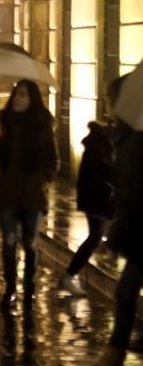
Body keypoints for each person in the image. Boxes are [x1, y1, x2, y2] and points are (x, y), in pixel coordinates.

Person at [77, 78, 143, 366]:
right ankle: (112, 359)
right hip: (136, 224)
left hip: (139, 226)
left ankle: (112, 360)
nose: (107, 104)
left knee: (126, 292)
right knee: (126, 291)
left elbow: (133, 191)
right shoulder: (127, 137)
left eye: (109, 98)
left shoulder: (134, 140)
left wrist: (118, 233)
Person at [0, 79, 59, 309]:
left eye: (23, 94)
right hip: (9, 190)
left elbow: (51, 157)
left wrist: (45, 179)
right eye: (16, 93)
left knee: (30, 242)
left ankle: (29, 286)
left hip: (33, 192)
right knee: (9, 241)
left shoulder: (41, 124)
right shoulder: (4, 121)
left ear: (32, 99)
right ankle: (10, 287)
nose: (18, 98)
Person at [60, 121, 115, 296]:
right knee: (95, 239)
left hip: (97, 198)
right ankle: (69, 275)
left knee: (96, 238)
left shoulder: (99, 144)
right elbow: (106, 172)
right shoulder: (101, 147)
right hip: (98, 199)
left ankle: (70, 275)